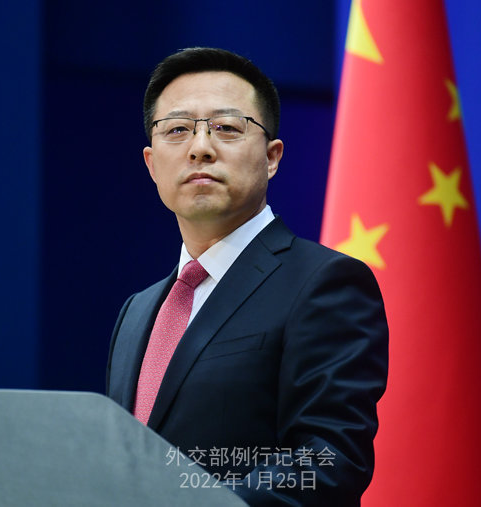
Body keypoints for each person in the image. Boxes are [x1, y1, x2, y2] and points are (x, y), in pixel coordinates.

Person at [105, 47, 388, 506]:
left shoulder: (326, 283)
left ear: (272, 157)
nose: (200, 147)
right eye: (177, 130)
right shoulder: (137, 311)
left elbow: (329, 463)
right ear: (152, 164)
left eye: (226, 128)